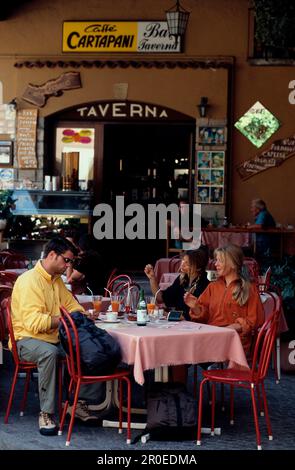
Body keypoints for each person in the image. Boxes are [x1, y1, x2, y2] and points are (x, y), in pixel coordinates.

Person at [10, 237, 101, 436]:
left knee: (86, 347)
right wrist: (66, 319)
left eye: (71, 262)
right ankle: (46, 413)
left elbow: (72, 305)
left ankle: (73, 403)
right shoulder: (29, 281)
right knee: (49, 353)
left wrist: (81, 314)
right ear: (52, 255)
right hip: (25, 340)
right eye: (66, 260)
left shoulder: (56, 280)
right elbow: (33, 323)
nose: (69, 265)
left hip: (51, 337)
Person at [184, 244, 264, 355]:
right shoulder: (213, 287)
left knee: (185, 347)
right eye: (216, 260)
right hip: (213, 337)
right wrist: (195, 307)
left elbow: (255, 320)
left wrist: (230, 329)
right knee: (180, 345)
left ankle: (217, 367)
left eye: (220, 261)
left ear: (232, 264)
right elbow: (204, 317)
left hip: (235, 341)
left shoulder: (249, 288)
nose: (215, 264)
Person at [144, 247, 210, 321]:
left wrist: (163, 313)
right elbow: (161, 298)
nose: (182, 264)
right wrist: (152, 278)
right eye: (183, 261)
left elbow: (190, 316)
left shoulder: (205, 286)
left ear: (198, 268)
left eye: (187, 263)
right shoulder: (182, 280)